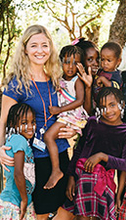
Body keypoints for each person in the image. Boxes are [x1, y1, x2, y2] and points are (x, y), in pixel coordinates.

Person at [0, 25, 76, 220]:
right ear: (25, 49)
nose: (40, 50)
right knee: (40, 213)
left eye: (44, 45)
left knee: (67, 211)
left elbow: (70, 111)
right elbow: (3, 120)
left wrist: (73, 131)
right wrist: (0, 148)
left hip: (60, 153)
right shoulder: (17, 83)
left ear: (50, 48)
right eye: (34, 45)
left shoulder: (57, 78)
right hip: (35, 158)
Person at [57, 87, 126, 220]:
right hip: (82, 180)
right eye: (103, 107)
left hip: (104, 185)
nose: (108, 111)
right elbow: (79, 150)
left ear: (121, 104)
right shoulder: (93, 123)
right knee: (79, 217)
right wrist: (71, 177)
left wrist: (102, 156)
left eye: (112, 105)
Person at [43, 45, 89, 190]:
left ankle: (56, 170)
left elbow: (80, 101)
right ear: (60, 62)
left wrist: (59, 110)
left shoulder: (77, 80)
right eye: (67, 62)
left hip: (71, 115)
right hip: (64, 115)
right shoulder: (58, 78)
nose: (70, 66)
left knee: (48, 136)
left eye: (75, 63)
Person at [0, 103, 36, 220]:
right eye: (24, 123)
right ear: (12, 124)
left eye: (33, 122)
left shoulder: (21, 140)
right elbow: (18, 173)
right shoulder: (19, 140)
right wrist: (24, 200)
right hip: (14, 202)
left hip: (21, 200)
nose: (30, 127)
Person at [73, 38, 100, 115]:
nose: (96, 63)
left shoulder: (100, 79)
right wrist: (88, 87)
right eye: (90, 59)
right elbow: (86, 114)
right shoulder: (74, 82)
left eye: (97, 59)